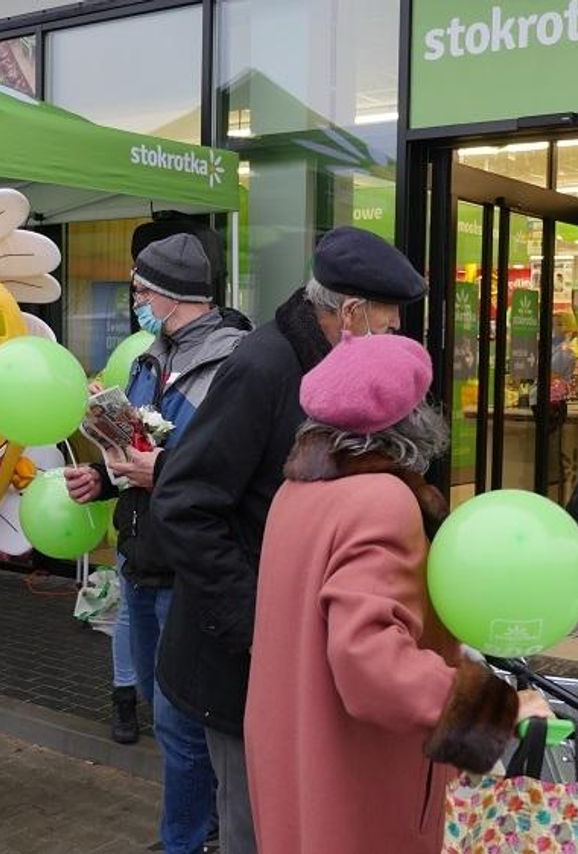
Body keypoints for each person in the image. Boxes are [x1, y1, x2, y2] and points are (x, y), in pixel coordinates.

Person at [150, 226, 428, 854]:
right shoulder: (265, 366)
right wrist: (262, 626)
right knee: (258, 829)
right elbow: (185, 504)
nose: (392, 339)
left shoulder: (331, 368)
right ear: (350, 314)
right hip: (238, 663)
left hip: (291, 663)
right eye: (387, 324)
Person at [245, 333, 552, 854]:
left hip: (298, 749)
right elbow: (369, 660)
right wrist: (494, 710)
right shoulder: (382, 499)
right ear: (412, 421)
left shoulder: (298, 490)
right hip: (360, 772)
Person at [65, 232, 252, 854]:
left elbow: (235, 473)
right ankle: (207, 825)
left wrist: (161, 471)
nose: (135, 300)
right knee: (154, 697)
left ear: (170, 294)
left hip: (191, 573)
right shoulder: (149, 359)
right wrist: (102, 479)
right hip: (139, 558)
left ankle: (188, 840)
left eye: (140, 289)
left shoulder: (234, 366)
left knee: (180, 722)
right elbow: (139, 459)